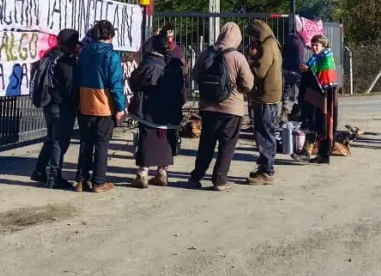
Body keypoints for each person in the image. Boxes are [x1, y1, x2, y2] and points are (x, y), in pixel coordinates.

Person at [188, 22, 254, 191]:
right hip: (231, 109)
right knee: (227, 145)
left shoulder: (206, 54)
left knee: (206, 144)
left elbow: (194, 75)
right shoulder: (237, 57)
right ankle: (219, 180)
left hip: (207, 107)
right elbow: (248, 84)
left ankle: (196, 177)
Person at [74, 20, 127, 193]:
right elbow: (116, 84)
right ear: (111, 36)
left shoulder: (84, 53)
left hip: (85, 102)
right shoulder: (112, 56)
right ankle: (98, 181)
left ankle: (81, 179)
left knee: (85, 142)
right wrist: (120, 107)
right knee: (102, 144)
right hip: (104, 105)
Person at [128, 34, 187, 188]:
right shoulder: (176, 66)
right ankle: (162, 173)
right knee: (166, 140)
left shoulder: (149, 63)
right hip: (170, 111)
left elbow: (134, 82)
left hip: (149, 109)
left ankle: (142, 174)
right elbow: (182, 92)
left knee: (147, 139)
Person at [30, 28, 81, 189]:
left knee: (51, 139)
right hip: (62, 105)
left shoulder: (49, 56)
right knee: (60, 142)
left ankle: (39, 170)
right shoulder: (65, 61)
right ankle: (54, 177)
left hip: (48, 102)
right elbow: (69, 87)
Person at [245, 20, 283, 185]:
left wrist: (250, 61)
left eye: (252, 36)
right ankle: (264, 167)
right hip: (271, 95)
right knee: (267, 131)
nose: (251, 40)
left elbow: (260, 72)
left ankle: (267, 171)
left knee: (264, 133)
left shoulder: (266, 47)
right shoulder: (273, 43)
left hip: (265, 96)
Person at [293, 35, 337, 163]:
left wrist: (308, 69)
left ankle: (315, 153)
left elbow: (324, 75)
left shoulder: (326, 57)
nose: (314, 48)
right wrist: (306, 70)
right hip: (315, 96)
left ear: (324, 45)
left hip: (324, 95)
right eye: (312, 45)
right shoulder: (315, 57)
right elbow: (313, 71)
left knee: (320, 123)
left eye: (316, 45)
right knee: (314, 122)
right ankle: (319, 154)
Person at [282, 15, 308, 123]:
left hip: (287, 68)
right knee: (303, 90)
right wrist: (301, 66)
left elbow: (284, 52)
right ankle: (301, 111)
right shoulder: (298, 40)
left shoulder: (288, 38)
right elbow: (299, 56)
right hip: (296, 70)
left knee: (287, 90)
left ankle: (284, 111)